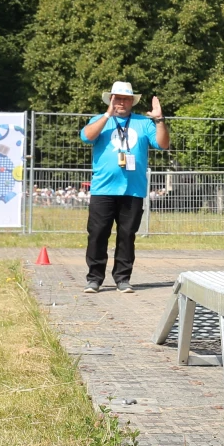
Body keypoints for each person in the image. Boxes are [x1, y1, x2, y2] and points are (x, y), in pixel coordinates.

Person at [80, 80, 169, 293]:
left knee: (127, 235)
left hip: (133, 190)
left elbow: (163, 144)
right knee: (97, 234)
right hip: (103, 189)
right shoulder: (99, 120)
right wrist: (107, 115)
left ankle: (122, 278)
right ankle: (94, 278)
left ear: (132, 102)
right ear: (110, 100)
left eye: (126, 99)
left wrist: (159, 120)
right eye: (117, 98)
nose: (121, 102)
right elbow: (87, 137)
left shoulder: (143, 123)